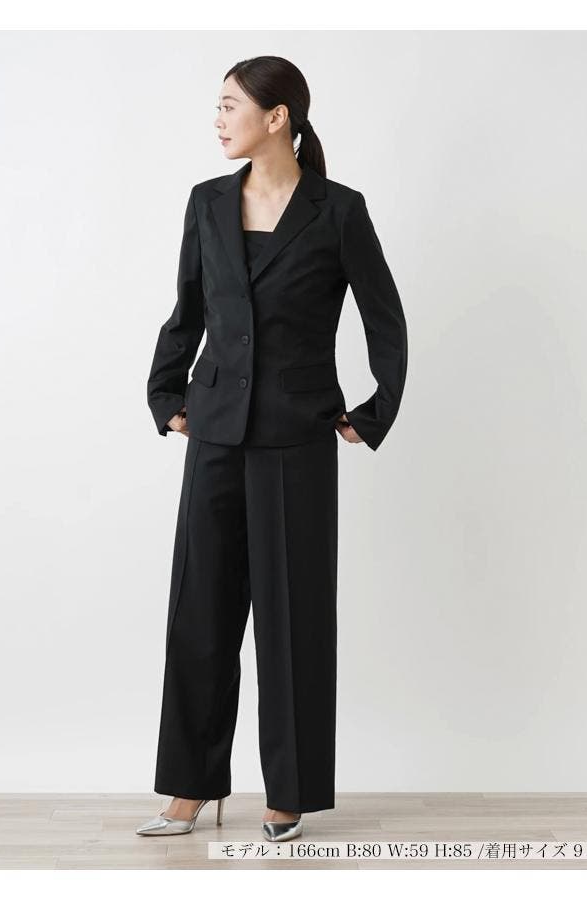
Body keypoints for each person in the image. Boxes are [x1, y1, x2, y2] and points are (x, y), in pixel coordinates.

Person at [138, 56, 408, 842]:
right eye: (218, 106)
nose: (218, 119)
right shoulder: (207, 201)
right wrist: (166, 396)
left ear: (277, 116)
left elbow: (385, 317)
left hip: (296, 437)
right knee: (200, 613)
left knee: (293, 622)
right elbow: (187, 309)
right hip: (216, 430)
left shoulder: (338, 210)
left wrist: (373, 411)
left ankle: (288, 794)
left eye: (230, 105)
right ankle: (188, 788)